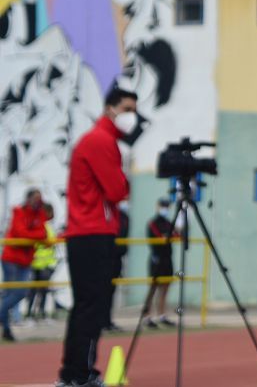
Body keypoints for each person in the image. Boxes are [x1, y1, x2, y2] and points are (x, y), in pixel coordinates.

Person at [57, 87, 135, 387]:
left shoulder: (97, 140)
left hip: (86, 233)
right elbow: (117, 190)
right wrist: (123, 178)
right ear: (111, 107)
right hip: (93, 233)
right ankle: (82, 374)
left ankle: (73, 373)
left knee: (84, 308)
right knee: (93, 309)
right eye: (128, 109)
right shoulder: (102, 141)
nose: (132, 117)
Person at [1, 188, 48, 341]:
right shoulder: (19, 211)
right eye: (35, 198)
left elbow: (43, 234)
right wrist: (34, 235)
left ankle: (6, 327)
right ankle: (6, 329)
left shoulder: (40, 214)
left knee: (19, 293)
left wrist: (32, 235)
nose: (38, 202)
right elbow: (20, 232)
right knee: (15, 293)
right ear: (28, 199)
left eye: (39, 199)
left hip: (25, 260)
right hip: (12, 259)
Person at [142, 197, 177, 328]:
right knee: (153, 288)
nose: (165, 208)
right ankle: (146, 316)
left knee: (166, 287)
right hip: (156, 258)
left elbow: (176, 235)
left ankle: (162, 315)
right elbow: (160, 237)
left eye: (167, 206)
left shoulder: (168, 222)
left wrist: (170, 236)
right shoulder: (153, 223)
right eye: (163, 206)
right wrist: (168, 236)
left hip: (168, 258)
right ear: (157, 206)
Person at [25, 203, 58, 322]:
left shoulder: (49, 226)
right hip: (37, 263)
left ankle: (41, 314)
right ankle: (29, 315)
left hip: (46, 264)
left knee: (43, 291)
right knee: (33, 291)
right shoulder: (39, 225)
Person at [104, 200, 130, 332]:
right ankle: (102, 321)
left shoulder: (125, 217)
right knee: (103, 291)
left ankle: (107, 321)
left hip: (118, 258)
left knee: (111, 291)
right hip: (106, 258)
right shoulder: (107, 214)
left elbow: (124, 235)